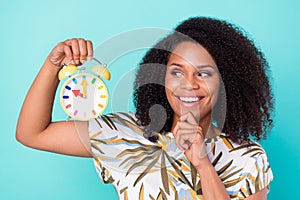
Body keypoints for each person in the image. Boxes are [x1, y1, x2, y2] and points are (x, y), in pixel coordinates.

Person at [16, 16, 274, 200]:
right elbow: (32, 133)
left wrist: (203, 164)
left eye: (204, 74)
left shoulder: (247, 158)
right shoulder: (121, 133)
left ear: (225, 81)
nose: (188, 85)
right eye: (176, 72)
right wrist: (53, 65)